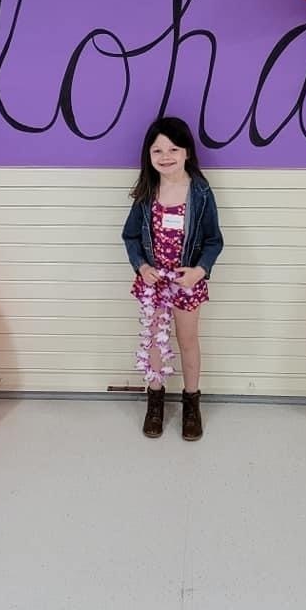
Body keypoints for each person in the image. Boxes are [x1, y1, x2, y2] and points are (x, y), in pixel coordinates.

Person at [122, 116, 223, 441]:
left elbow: (214, 241)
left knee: (187, 340)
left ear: (187, 153)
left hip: (186, 283)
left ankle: (191, 402)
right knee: (153, 340)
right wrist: (142, 267)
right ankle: (155, 400)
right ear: (148, 155)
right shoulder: (147, 191)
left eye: (173, 149)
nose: (165, 156)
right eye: (157, 150)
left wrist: (198, 272)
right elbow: (130, 236)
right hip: (154, 284)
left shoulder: (200, 193)